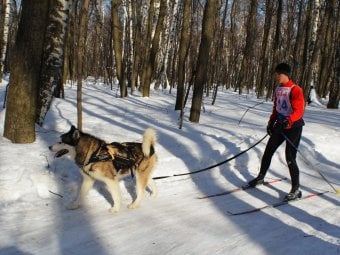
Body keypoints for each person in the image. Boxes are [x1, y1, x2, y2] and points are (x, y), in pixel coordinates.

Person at [248, 63, 305, 201]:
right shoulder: (279, 88)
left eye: (278, 73)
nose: (276, 76)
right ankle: (261, 177)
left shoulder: (295, 89)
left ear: (285, 74)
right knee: (268, 151)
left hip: (293, 127)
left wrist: (289, 120)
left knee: (290, 158)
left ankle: (296, 189)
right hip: (280, 125)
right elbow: (276, 107)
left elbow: (299, 110)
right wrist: (271, 122)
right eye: (276, 73)